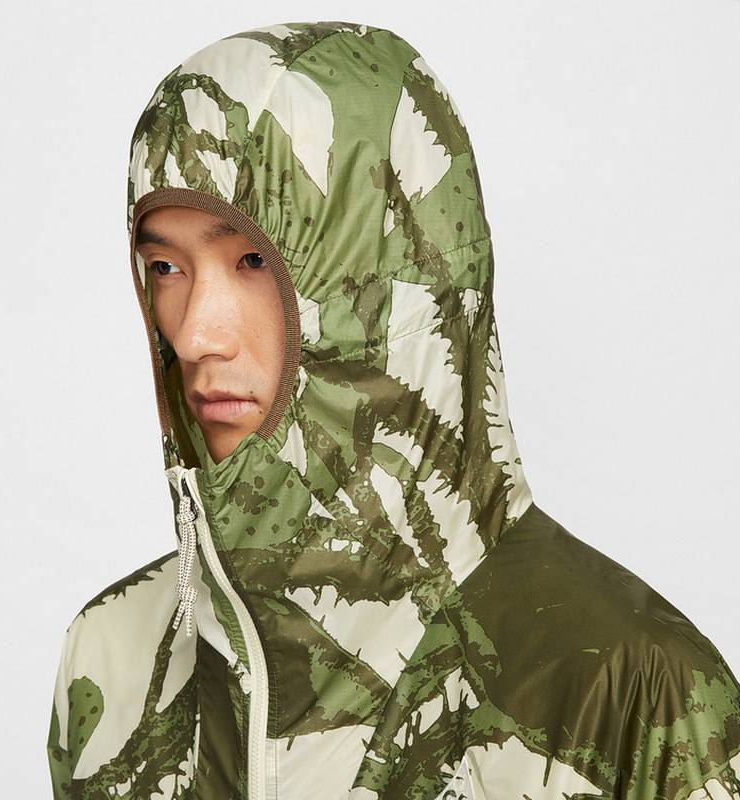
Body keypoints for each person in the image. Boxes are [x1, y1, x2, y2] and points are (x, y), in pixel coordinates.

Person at [46, 19, 740, 800]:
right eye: (165, 267)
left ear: (390, 277)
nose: (194, 335)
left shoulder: (629, 691)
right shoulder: (111, 653)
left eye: (250, 260)